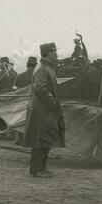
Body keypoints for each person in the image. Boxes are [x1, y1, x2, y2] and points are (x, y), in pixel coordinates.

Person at [22, 43, 64, 178]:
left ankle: (40, 168)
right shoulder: (42, 68)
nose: (56, 54)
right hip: (42, 111)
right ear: (48, 52)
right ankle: (36, 169)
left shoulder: (46, 67)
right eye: (55, 51)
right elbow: (41, 89)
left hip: (45, 110)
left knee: (44, 139)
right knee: (40, 139)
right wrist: (54, 104)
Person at [14, 57, 38, 145]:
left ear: (27, 65)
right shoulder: (37, 76)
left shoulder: (20, 75)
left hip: (21, 101)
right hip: (33, 101)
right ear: (35, 65)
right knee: (32, 120)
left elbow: (14, 87)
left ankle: (19, 138)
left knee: (21, 119)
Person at [0, 57, 13, 140]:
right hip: (11, 98)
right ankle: (12, 134)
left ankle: (3, 134)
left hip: (1, 98)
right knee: (11, 116)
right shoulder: (13, 73)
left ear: (3, 64)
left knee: (1, 116)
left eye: (0, 63)